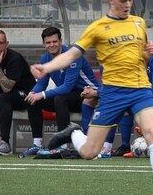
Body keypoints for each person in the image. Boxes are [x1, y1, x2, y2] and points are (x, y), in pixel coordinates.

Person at [33, 0, 153, 195]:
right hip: (112, 93)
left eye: (130, 0)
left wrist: (147, 54)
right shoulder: (97, 28)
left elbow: (140, 56)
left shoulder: (139, 22)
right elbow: (72, 54)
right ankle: (73, 131)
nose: (128, 5)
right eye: (123, 1)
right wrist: (46, 67)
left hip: (140, 89)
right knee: (90, 152)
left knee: (152, 130)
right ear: (111, 0)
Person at [23, 26, 100, 157]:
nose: (52, 45)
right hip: (68, 97)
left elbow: (67, 86)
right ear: (44, 44)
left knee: (60, 98)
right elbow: (42, 83)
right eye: (48, 42)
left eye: (54, 41)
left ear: (60, 41)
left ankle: (62, 146)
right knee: (32, 101)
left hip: (89, 94)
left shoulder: (72, 55)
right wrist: (33, 93)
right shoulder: (45, 59)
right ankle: (37, 144)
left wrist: (41, 95)